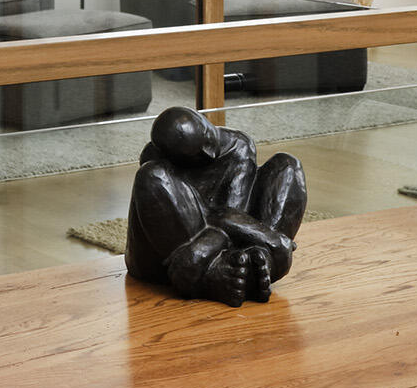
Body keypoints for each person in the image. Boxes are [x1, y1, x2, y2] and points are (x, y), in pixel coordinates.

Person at [124, 105, 307, 306]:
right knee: (151, 176)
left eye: (208, 137)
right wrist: (270, 239)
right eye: (197, 155)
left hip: (229, 238)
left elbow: (233, 216)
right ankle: (211, 275)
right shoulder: (156, 161)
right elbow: (228, 219)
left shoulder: (239, 145)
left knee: (288, 166)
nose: (210, 153)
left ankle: (259, 262)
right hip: (186, 243)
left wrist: (243, 234)